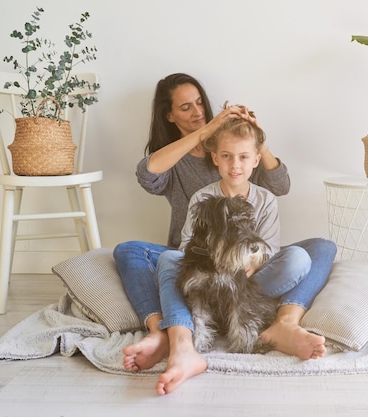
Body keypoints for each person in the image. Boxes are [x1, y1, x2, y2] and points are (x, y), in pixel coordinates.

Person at [113, 73, 337, 393]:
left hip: (248, 271)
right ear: (170, 115)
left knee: (320, 248)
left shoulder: (246, 166)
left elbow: (279, 185)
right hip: (197, 263)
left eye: (200, 103)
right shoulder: (180, 161)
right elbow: (146, 174)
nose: (197, 111)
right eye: (186, 107)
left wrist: (253, 135)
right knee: (135, 252)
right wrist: (206, 133)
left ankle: (284, 324)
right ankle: (168, 334)